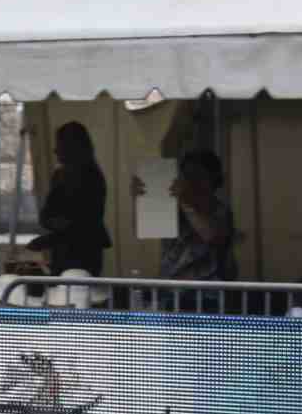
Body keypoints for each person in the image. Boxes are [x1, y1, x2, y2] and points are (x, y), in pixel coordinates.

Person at [134, 148, 237, 311]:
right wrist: (144, 197)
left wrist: (185, 201)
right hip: (170, 292)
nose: (190, 182)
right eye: (186, 176)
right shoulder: (172, 209)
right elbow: (145, 229)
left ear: (212, 180)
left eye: (197, 176)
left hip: (204, 295)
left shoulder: (220, 211)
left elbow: (212, 236)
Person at [30, 121, 111, 275]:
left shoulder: (91, 177)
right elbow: (47, 214)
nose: (55, 150)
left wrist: (50, 236)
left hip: (84, 251)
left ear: (72, 147)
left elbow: (85, 222)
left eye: (59, 144)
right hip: (63, 250)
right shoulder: (59, 176)